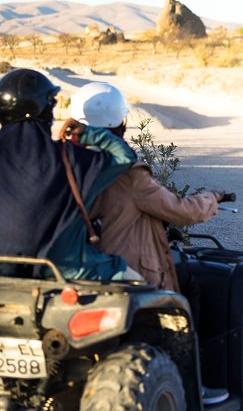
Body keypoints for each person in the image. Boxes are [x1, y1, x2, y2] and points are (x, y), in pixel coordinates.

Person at [71, 81, 230, 405]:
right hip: (126, 268)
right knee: (188, 286)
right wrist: (212, 197)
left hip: (73, 265)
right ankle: (192, 383)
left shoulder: (64, 163)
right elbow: (180, 210)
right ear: (121, 124)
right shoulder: (129, 173)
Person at [0, 69, 137, 280]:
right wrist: (87, 132)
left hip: (3, 267)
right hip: (62, 267)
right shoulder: (68, 157)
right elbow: (124, 156)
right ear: (45, 111)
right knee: (140, 285)